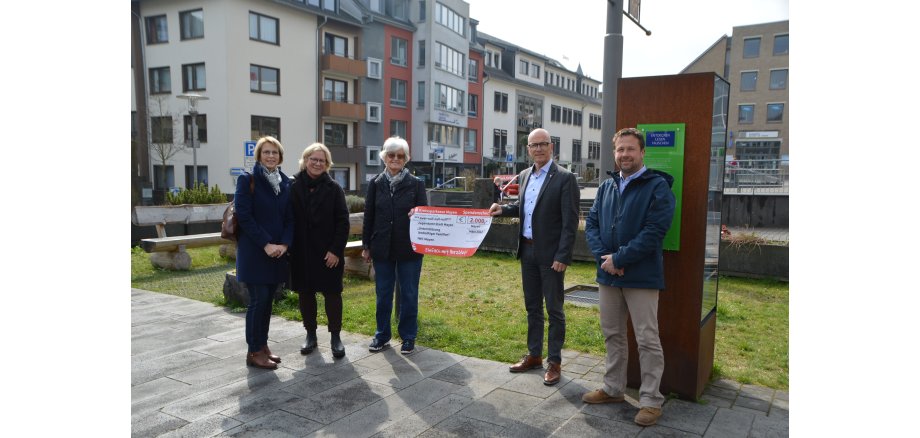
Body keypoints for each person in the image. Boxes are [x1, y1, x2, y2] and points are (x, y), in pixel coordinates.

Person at [582, 127, 676, 427]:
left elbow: (654, 232)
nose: (624, 155)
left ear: (642, 152)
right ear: (614, 152)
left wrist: (620, 259)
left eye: (630, 149)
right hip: (608, 275)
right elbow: (593, 224)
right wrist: (605, 260)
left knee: (647, 339)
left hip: (641, 276)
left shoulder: (658, 187)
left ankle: (651, 400)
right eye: (620, 149)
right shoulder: (607, 186)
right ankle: (613, 389)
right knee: (612, 334)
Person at [488, 128, 579, 386]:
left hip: (552, 256)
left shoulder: (564, 178)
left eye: (543, 144)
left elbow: (570, 223)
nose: (538, 149)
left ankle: (555, 361)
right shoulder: (526, 175)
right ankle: (535, 355)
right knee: (532, 307)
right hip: (527, 250)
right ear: (527, 149)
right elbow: (524, 208)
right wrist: (502, 208)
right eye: (533, 145)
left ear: (552, 147)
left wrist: (563, 255)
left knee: (554, 309)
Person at [362, 136, 428, 355]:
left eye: (400, 156)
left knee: (409, 293)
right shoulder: (375, 183)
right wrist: (366, 245)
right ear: (384, 157)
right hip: (381, 247)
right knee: (383, 294)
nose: (395, 159)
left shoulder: (416, 184)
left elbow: (425, 215)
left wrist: (417, 214)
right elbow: (368, 215)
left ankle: (408, 336)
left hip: (409, 248)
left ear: (406, 159)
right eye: (391, 155)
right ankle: (382, 335)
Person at [234, 136, 294, 370]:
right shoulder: (247, 180)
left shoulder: (285, 182)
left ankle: (263, 345)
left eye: (275, 153)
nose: (271, 156)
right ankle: (254, 351)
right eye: (266, 152)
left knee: (268, 303)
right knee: (258, 302)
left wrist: (285, 245)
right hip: (256, 253)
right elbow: (244, 216)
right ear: (259, 155)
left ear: (280, 157)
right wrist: (266, 244)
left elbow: (290, 218)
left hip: (277, 253)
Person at [289, 143, 350, 359]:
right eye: (313, 159)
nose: (317, 163)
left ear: (327, 164)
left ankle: (335, 337)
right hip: (301, 252)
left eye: (321, 160)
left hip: (328, 254)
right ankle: (311, 335)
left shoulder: (334, 188)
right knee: (305, 294)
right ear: (305, 160)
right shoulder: (292, 186)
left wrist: (335, 251)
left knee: (332, 294)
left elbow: (343, 222)